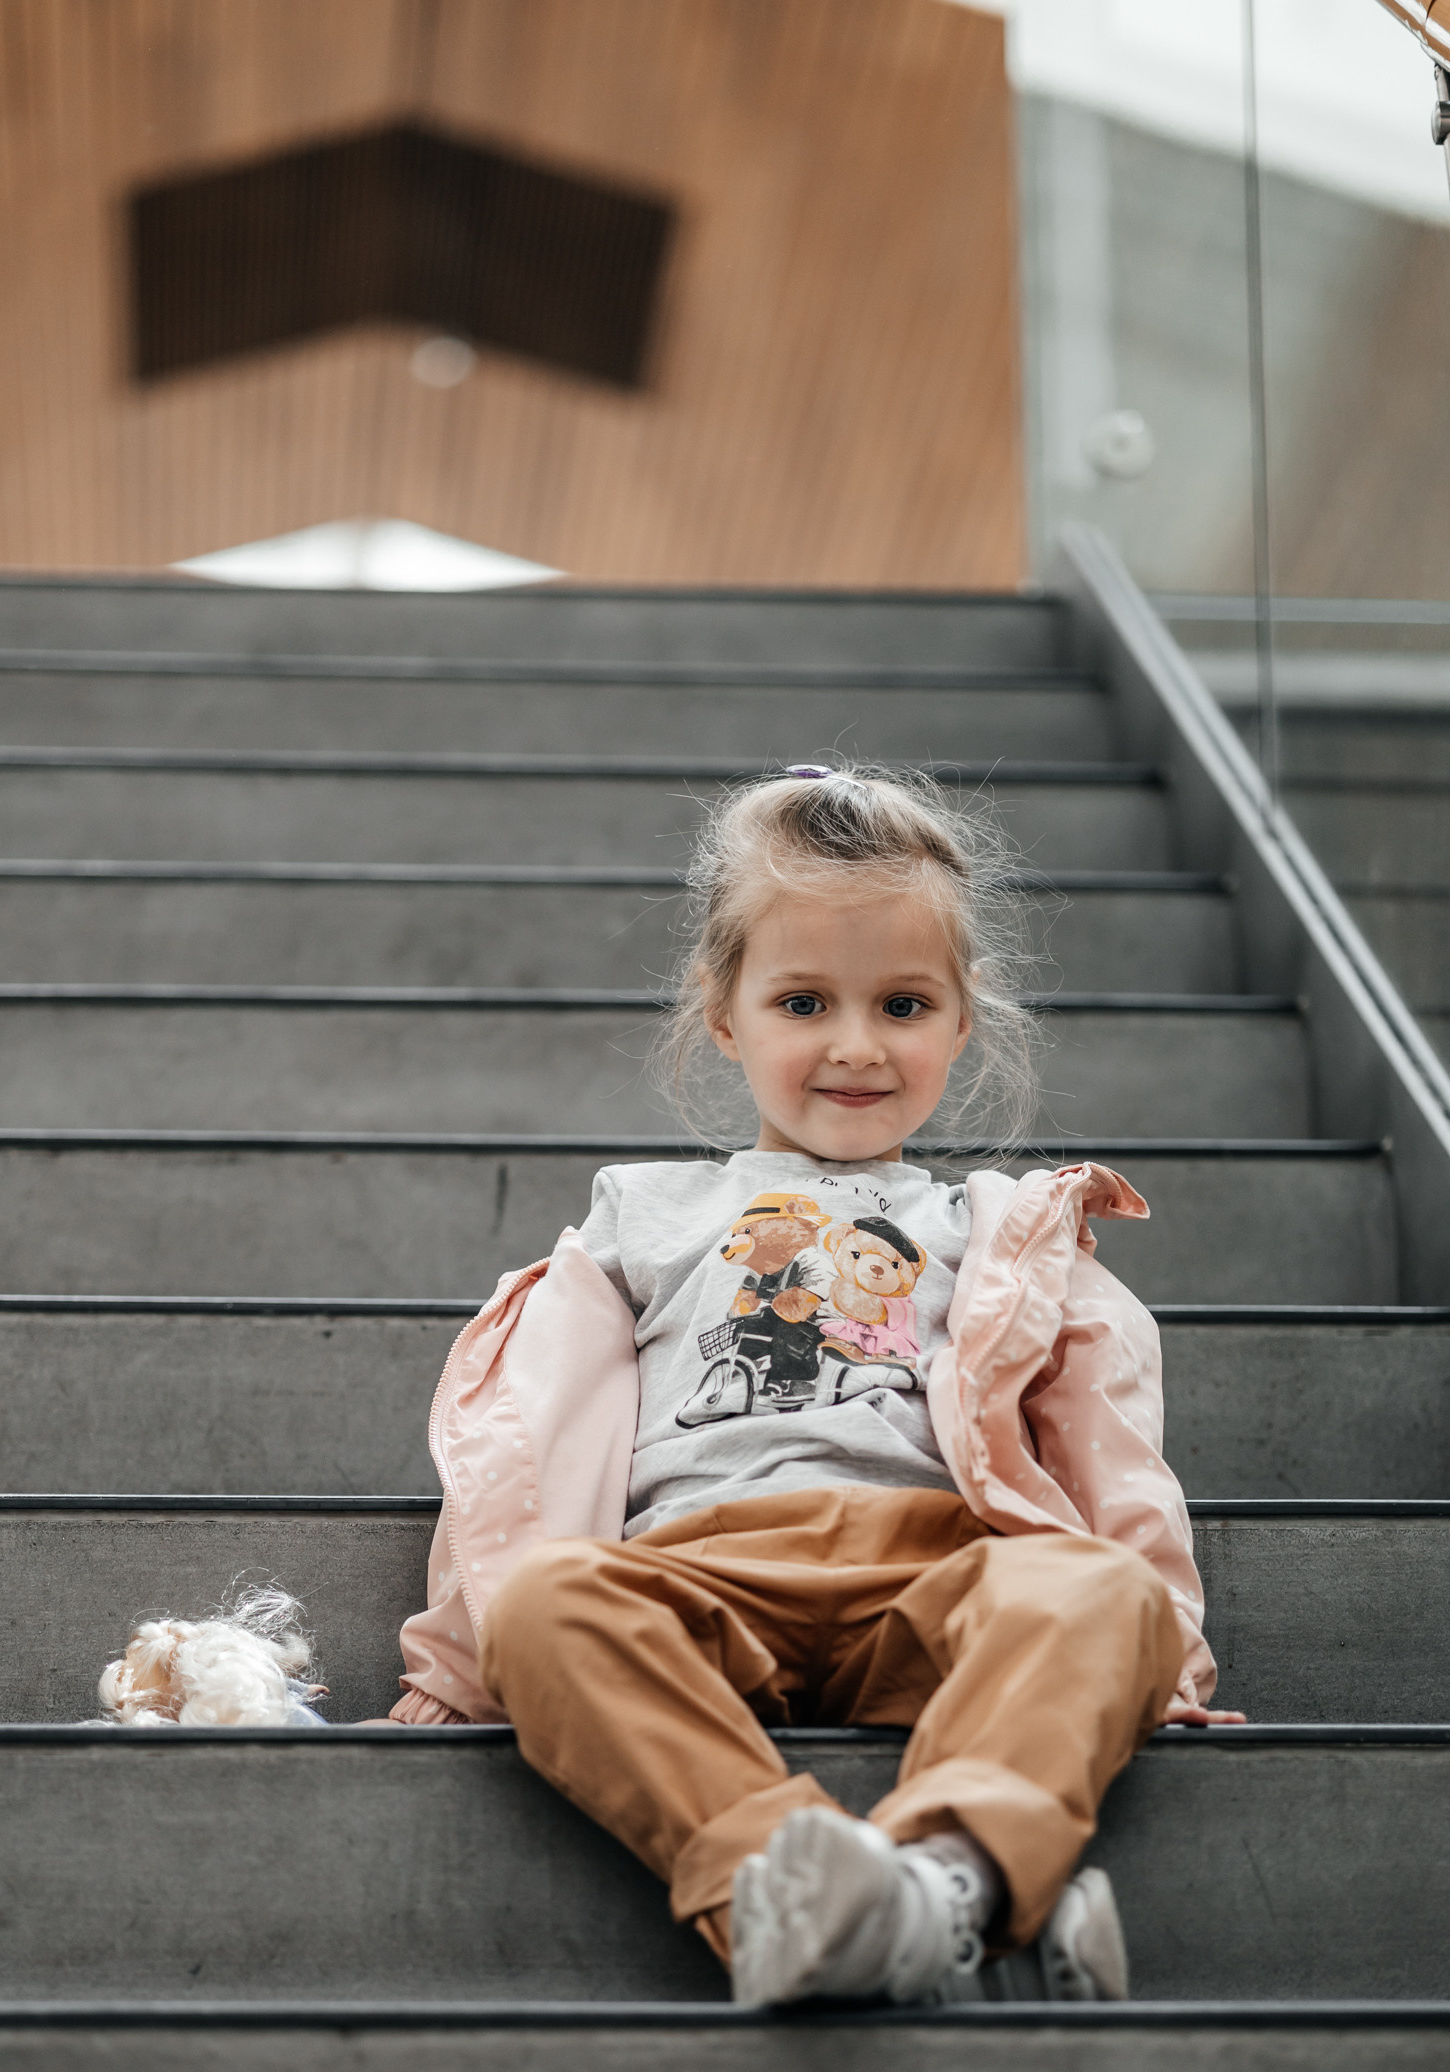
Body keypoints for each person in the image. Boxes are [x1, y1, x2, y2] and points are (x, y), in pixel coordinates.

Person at [386, 764, 1241, 2006]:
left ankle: (940, 1877)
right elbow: (530, 1430)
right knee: (546, 1608)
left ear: (962, 1020)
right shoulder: (643, 1213)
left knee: (1101, 1590)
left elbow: (1104, 1440)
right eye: (802, 1000)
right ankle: (849, 1894)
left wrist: (1167, 1650)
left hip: (942, 1563)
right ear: (724, 1015)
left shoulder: (994, 1225)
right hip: (697, 1566)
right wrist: (458, 1656)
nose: (855, 1044)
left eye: (903, 1003)